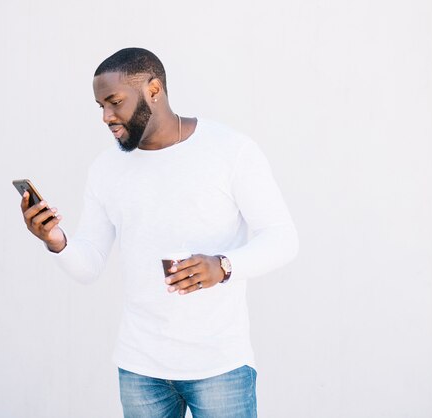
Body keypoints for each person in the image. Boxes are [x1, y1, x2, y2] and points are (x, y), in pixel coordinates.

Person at [20, 47, 298, 418]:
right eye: (100, 106)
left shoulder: (230, 151)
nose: (106, 116)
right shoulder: (106, 169)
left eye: (114, 102)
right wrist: (55, 241)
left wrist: (224, 266)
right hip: (140, 368)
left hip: (219, 367)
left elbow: (283, 238)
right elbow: (88, 265)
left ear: (153, 90)